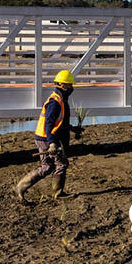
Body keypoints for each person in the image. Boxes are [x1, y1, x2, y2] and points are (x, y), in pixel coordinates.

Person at [15, 70, 82, 203]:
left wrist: (72, 128)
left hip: (44, 137)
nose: (72, 88)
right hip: (47, 138)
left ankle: (20, 187)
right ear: (63, 85)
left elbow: (60, 122)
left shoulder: (61, 99)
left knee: (47, 167)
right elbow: (49, 124)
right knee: (61, 164)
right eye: (69, 85)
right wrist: (52, 143)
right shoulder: (55, 102)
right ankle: (58, 193)